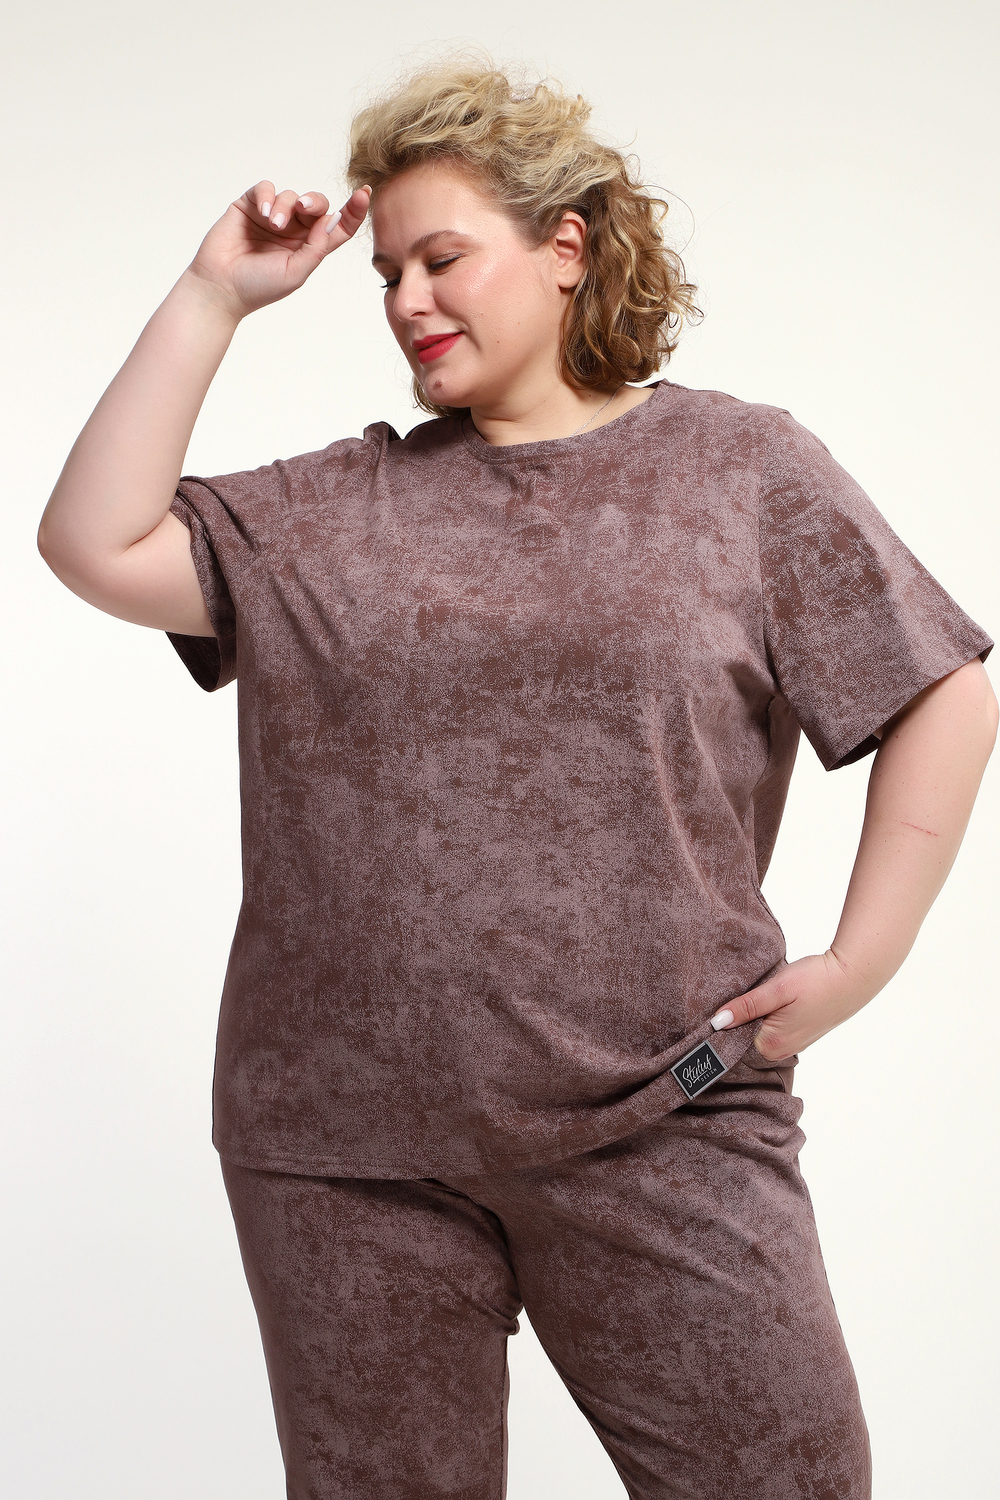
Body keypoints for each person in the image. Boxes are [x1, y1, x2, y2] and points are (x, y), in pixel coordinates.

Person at [37, 56, 996, 1500]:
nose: (407, 300)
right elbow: (92, 543)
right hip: (344, 1149)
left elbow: (941, 689)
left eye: (443, 258)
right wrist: (211, 294)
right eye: (387, 275)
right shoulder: (332, 506)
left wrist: (862, 962)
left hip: (665, 1111)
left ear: (565, 248)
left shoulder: (739, 470)